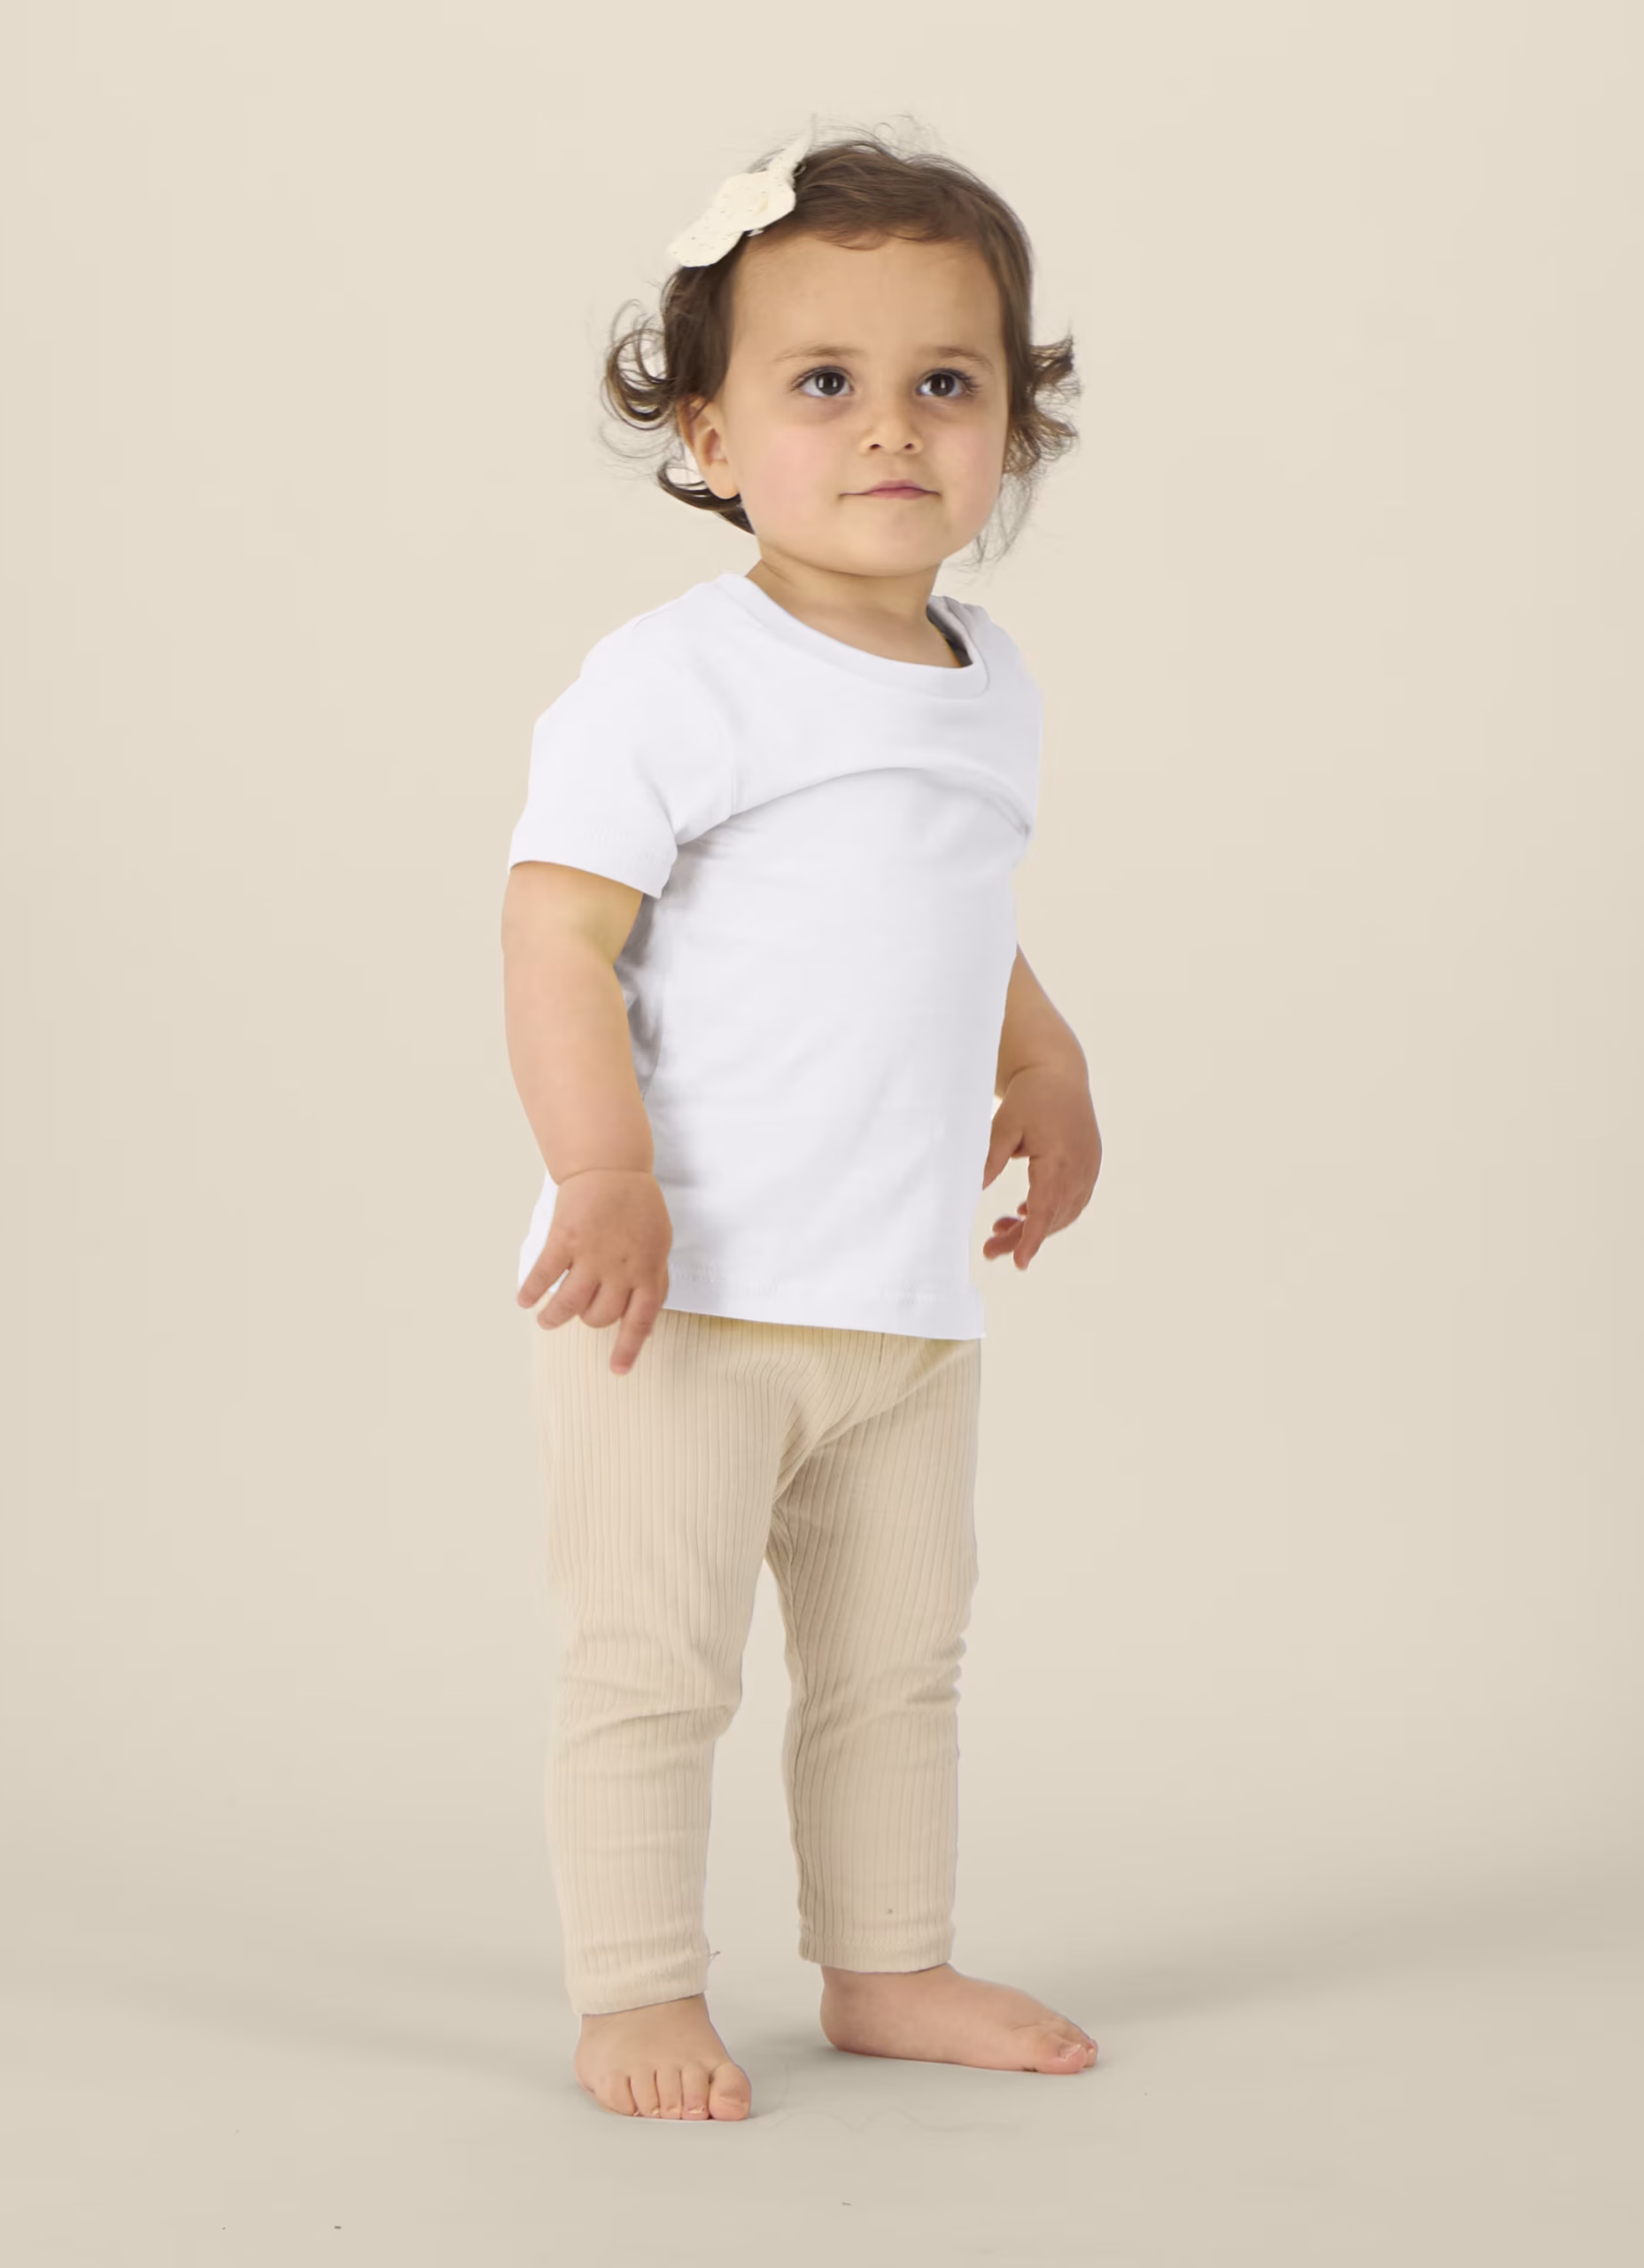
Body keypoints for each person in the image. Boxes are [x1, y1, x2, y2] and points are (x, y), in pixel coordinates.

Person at [500, 122, 1104, 2121]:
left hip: (903, 1301)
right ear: (706, 432)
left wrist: (1043, 1062)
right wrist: (603, 1170)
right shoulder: (679, 678)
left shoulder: (986, 681)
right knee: (653, 1658)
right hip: (681, 1290)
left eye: (947, 380)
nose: (892, 427)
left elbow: (952, 905)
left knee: (895, 1661)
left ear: (1014, 424)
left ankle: (887, 1960)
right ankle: (634, 1991)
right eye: (824, 381)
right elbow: (555, 927)